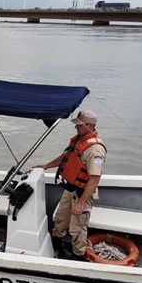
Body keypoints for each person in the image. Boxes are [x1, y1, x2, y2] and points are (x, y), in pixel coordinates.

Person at [33, 110, 107, 259]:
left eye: (79, 125)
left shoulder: (96, 150)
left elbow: (94, 179)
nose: (76, 127)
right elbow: (66, 157)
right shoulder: (79, 141)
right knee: (60, 219)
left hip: (82, 193)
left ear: (90, 126)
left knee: (77, 227)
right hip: (70, 189)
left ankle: (78, 255)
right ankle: (56, 242)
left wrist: (81, 203)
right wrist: (47, 166)